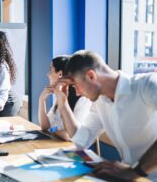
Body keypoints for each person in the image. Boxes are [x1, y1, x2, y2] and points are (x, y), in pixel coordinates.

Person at [55, 50, 157, 181]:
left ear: (91, 76)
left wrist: (134, 171)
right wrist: (63, 103)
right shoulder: (100, 102)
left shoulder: (148, 85)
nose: (78, 93)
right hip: (131, 177)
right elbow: (81, 139)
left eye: (76, 86)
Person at [38, 56, 91, 141]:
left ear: (60, 74)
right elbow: (45, 127)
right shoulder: (60, 93)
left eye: (50, 70)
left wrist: (53, 130)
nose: (47, 74)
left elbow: (70, 136)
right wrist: (41, 100)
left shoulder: (83, 99)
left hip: (73, 148)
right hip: (57, 143)